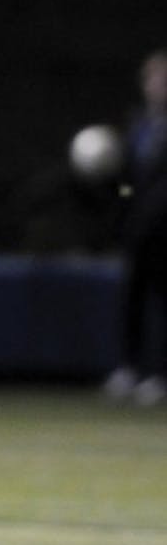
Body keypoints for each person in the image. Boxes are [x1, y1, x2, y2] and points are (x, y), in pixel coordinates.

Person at [102, 49, 167, 407]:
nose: (160, 87)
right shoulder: (138, 124)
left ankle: (160, 376)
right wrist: (124, 201)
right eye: (155, 80)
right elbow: (128, 182)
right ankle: (128, 369)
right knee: (132, 302)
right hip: (137, 230)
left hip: (165, 231)